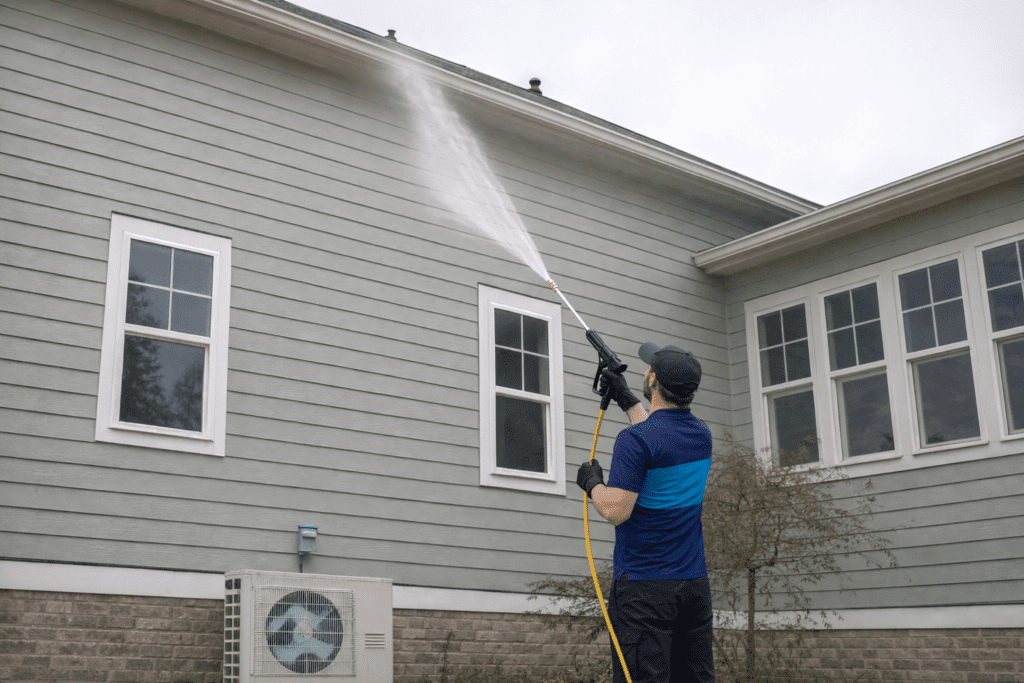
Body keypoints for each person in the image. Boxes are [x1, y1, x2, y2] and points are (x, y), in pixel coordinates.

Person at [576, 342, 715, 683]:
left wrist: (593, 484)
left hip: (644, 592)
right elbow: (659, 438)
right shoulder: (701, 435)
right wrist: (626, 399)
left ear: (651, 379)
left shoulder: (633, 441)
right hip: (693, 588)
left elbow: (616, 511)